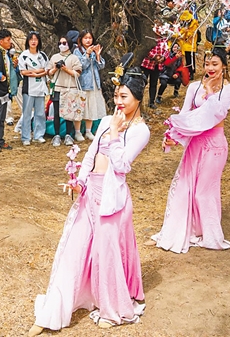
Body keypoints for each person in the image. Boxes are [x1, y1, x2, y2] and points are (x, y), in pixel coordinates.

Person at [29, 68, 149, 334]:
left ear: (138, 98)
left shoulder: (141, 131)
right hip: (89, 194)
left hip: (112, 199)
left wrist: (117, 133)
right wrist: (80, 181)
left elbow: (122, 165)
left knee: (106, 254)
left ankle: (112, 308)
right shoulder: (107, 120)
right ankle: (53, 311)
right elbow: (90, 154)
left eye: (125, 97)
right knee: (74, 249)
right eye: (117, 96)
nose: (119, 102)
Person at [148, 47, 230, 253]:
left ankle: (211, 234)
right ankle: (175, 231)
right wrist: (172, 136)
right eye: (207, 64)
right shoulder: (194, 87)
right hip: (195, 143)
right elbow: (185, 114)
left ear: (224, 65)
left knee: (204, 192)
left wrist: (208, 92)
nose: (210, 68)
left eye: (215, 64)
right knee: (184, 186)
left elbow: (216, 114)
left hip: (215, 144)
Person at [47, 36, 82, 147]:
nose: (62, 45)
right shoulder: (54, 57)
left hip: (70, 88)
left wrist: (65, 68)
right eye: (60, 43)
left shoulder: (74, 58)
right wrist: (56, 67)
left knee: (69, 114)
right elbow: (49, 72)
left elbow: (77, 73)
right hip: (57, 88)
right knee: (56, 113)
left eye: (64, 43)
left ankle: (68, 135)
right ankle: (56, 135)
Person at [74, 30, 106, 141]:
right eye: (85, 38)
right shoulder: (77, 51)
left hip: (94, 83)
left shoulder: (93, 51)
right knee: (80, 108)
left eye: (90, 38)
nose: (88, 40)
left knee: (91, 107)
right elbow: (81, 66)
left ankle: (88, 131)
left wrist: (97, 55)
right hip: (83, 84)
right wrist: (87, 54)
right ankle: (77, 132)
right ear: (81, 39)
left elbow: (101, 66)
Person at [19, 31, 49, 145]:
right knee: (26, 113)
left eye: (35, 39)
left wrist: (38, 73)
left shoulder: (43, 55)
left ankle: (39, 135)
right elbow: (23, 71)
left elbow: (46, 69)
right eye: (31, 39)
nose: (33, 41)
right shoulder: (24, 55)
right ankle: (26, 137)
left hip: (40, 87)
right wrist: (35, 72)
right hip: (28, 88)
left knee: (40, 113)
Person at [140, 38, 167, 108]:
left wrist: (163, 58)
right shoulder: (150, 37)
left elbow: (166, 51)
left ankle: (151, 102)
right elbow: (145, 49)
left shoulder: (164, 40)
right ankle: (139, 101)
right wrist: (154, 56)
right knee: (143, 83)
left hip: (157, 66)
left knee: (153, 84)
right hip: (147, 64)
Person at [177, 10, 199, 76]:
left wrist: (186, 32)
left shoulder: (194, 24)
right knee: (187, 58)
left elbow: (192, 34)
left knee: (191, 58)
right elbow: (181, 32)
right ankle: (189, 71)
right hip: (186, 44)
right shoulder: (186, 25)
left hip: (191, 43)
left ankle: (192, 72)